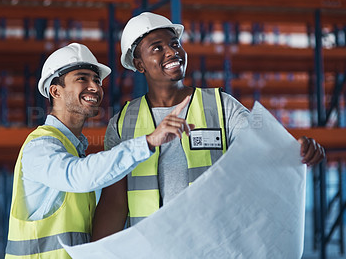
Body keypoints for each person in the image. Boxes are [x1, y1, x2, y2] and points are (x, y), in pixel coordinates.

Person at [91, 12, 326, 240]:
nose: (172, 52)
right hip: (153, 248)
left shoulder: (221, 106)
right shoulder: (122, 122)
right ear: (139, 64)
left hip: (210, 244)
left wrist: (297, 148)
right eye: (157, 48)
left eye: (175, 43)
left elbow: (264, 146)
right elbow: (115, 202)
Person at [5, 43, 194, 258]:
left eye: (96, 80)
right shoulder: (39, 147)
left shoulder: (74, 151)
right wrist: (147, 142)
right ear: (55, 91)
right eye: (82, 78)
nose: (95, 87)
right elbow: (77, 175)